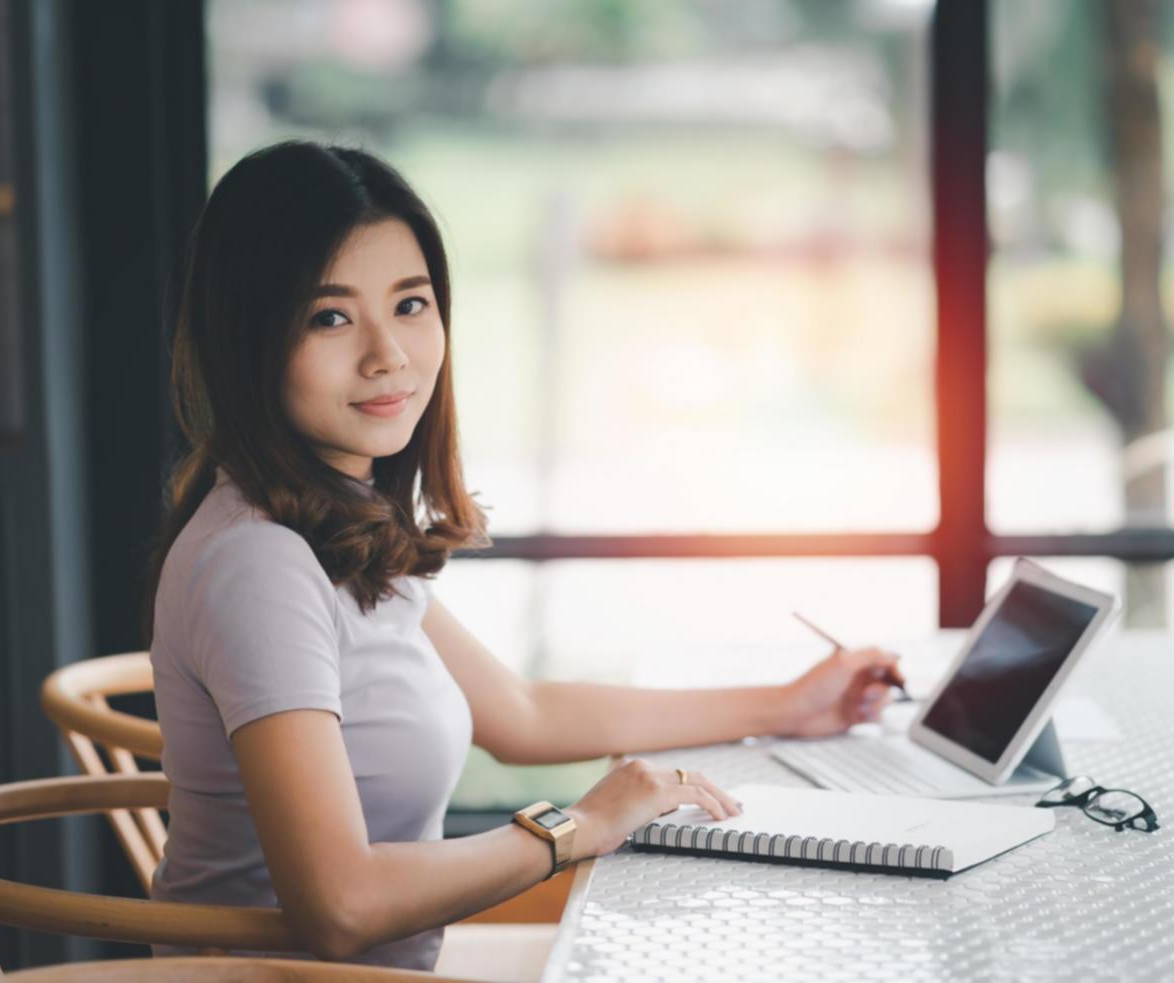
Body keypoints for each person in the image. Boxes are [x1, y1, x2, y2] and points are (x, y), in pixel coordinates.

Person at [142, 140, 902, 971]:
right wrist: (579, 826)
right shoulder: (259, 561)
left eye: (410, 304)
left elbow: (525, 712)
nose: (387, 353)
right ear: (246, 339)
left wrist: (789, 704)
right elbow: (341, 905)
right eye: (329, 316)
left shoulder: (331, 524)